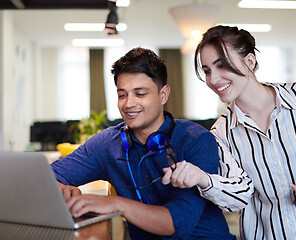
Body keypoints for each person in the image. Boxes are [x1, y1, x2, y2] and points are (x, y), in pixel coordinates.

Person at [162, 25, 296, 239]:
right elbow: (238, 196)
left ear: (249, 62)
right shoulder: (221, 132)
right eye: (207, 70)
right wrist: (202, 178)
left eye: (222, 66)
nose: (213, 79)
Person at [51, 47, 236, 240]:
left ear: (163, 95)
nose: (128, 103)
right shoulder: (107, 143)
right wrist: (62, 189)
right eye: (122, 95)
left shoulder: (197, 140)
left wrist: (117, 204)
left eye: (140, 94)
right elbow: (47, 177)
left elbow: (176, 222)